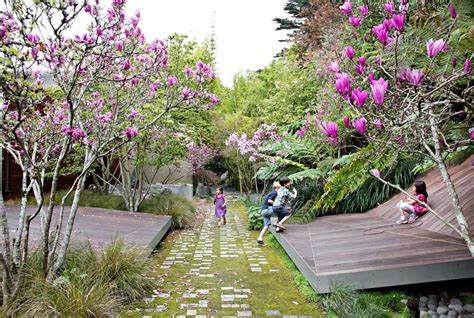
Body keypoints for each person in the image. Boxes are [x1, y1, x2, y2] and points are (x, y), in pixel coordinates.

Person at [256, 181, 281, 246]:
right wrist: (276, 204)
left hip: (264, 211)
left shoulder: (272, 192)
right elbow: (269, 201)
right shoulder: (275, 193)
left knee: (266, 225)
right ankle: (278, 225)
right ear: (277, 188)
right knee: (281, 210)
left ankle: (260, 239)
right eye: (280, 188)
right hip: (267, 210)